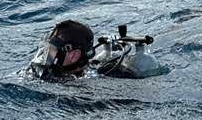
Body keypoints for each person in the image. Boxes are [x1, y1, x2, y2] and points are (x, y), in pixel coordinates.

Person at [28, 20, 166, 81]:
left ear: (74, 55)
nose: (47, 55)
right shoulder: (47, 73)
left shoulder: (97, 80)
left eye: (53, 49)